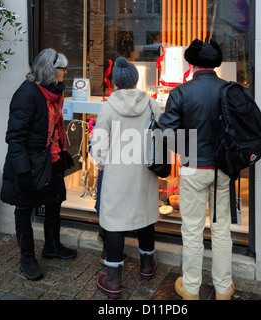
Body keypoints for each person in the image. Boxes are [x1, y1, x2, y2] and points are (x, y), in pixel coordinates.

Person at [158, 39, 235, 300]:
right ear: (215, 64)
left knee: (192, 229)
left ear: (190, 63)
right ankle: (224, 288)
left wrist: (186, 151)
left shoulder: (181, 92)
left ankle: (191, 288)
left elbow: (166, 132)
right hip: (223, 168)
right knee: (221, 228)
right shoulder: (230, 90)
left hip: (193, 167)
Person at [1, 48, 77, 281]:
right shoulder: (27, 94)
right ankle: (27, 258)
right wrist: (22, 169)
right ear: (51, 71)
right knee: (23, 209)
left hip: (51, 158)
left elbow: (56, 126)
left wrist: (63, 152)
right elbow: (15, 137)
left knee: (55, 201)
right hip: (30, 163)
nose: (65, 73)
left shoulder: (55, 93)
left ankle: (51, 246)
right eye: (62, 69)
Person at [91, 57, 161, 299]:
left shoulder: (108, 107)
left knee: (114, 224)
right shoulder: (151, 103)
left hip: (117, 174)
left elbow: (99, 146)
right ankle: (146, 267)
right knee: (144, 217)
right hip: (144, 173)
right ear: (135, 79)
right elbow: (164, 135)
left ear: (115, 82)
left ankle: (112, 281)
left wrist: (103, 165)